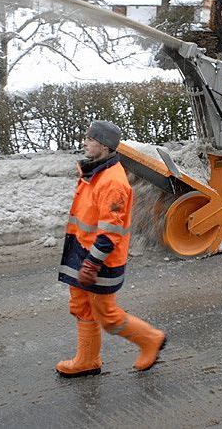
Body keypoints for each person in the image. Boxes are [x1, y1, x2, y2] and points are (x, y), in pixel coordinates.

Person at [56, 120, 167, 378]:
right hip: (82, 251)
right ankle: (87, 360)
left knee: (107, 315)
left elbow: (110, 232)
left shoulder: (112, 182)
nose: (85, 142)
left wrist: (91, 263)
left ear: (105, 146)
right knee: (82, 306)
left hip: (100, 260)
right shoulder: (94, 172)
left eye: (90, 139)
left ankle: (151, 339)